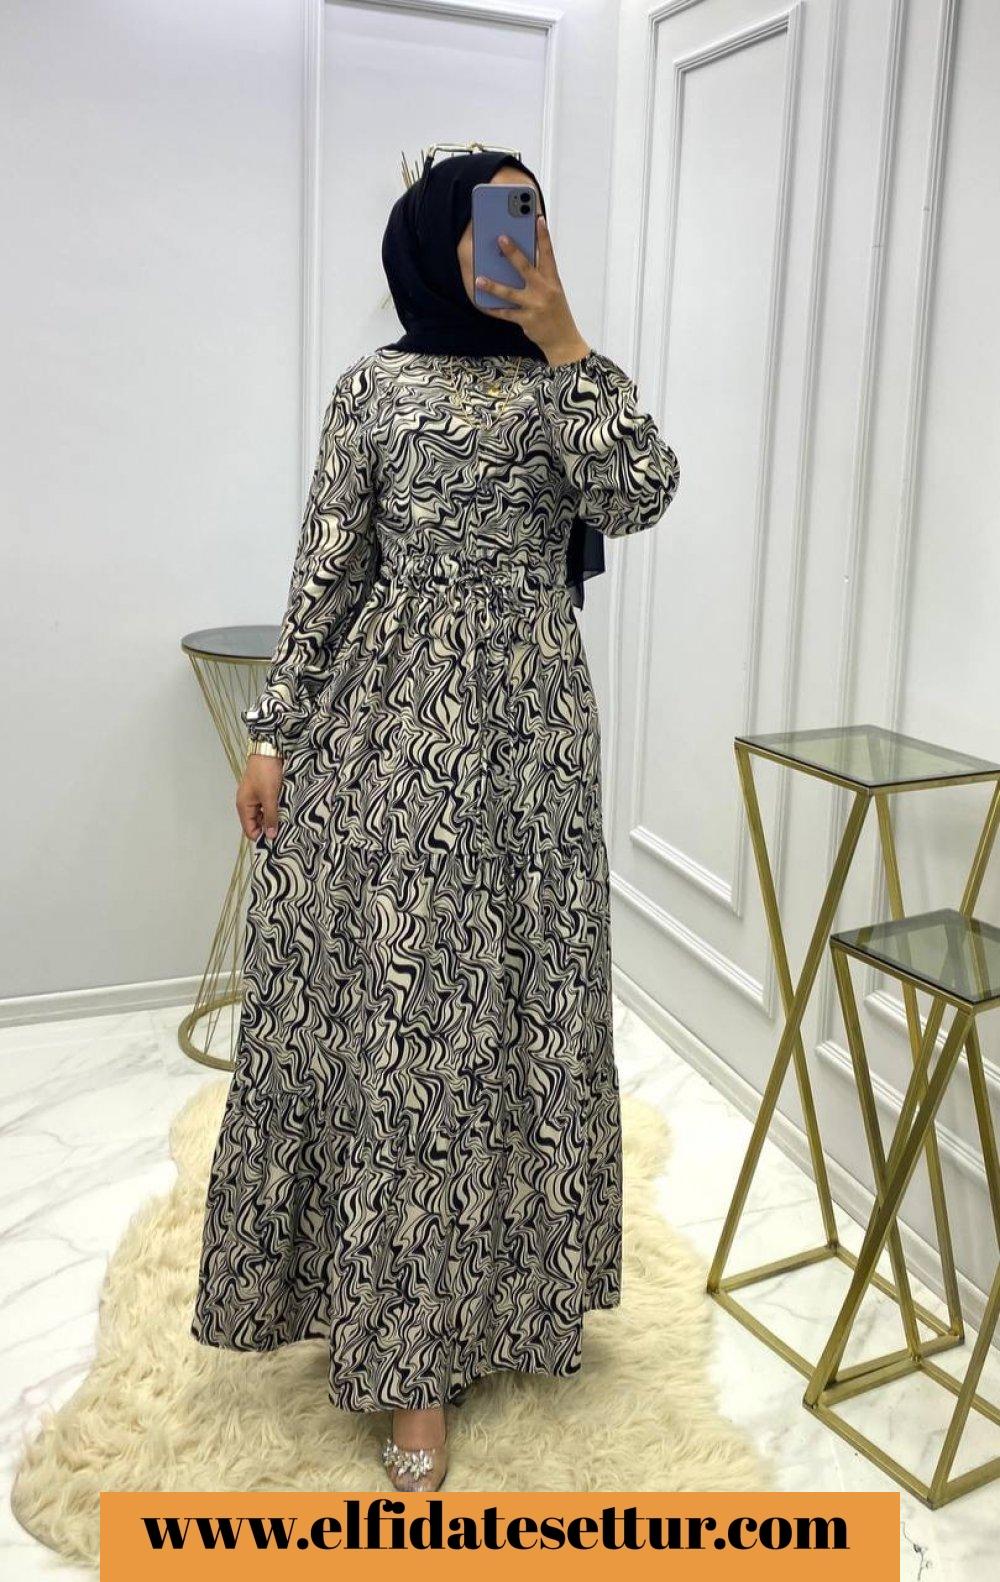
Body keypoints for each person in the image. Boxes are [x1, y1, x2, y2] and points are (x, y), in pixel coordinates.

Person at [189, 148, 680, 1493]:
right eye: (494, 214)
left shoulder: (568, 383)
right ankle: (405, 1359)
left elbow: (639, 494)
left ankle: (508, 1296)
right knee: (410, 1024)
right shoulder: (376, 391)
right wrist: (274, 729)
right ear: (436, 236)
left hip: (534, 742)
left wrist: (566, 339)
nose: (519, 236)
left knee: (515, 1011)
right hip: (394, 729)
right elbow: (329, 567)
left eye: (534, 214)